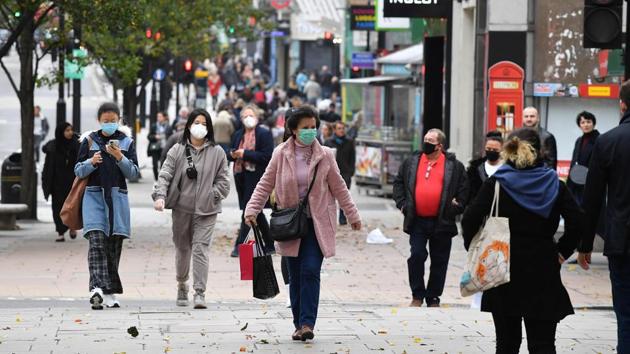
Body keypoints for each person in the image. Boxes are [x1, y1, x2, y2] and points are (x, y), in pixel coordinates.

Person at [244, 105, 361, 342]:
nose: (311, 131)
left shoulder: (326, 155)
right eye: (305, 128)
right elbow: (265, 183)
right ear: (294, 129)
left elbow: (339, 187)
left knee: (310, 270)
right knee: (295, 274)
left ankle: (308, 322)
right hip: (289, 223)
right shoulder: (280, 153)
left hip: (317, 223)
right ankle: (298, 324)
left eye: (314, 127)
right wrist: (252, 208)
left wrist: (352, 214)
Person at [462, 128, 583, 354]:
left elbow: (470, 218)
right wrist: (561, 252)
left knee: (507, 344)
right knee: (543, 344)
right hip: (543, 267)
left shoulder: (497, 183)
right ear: (541, 151)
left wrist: (475, 248)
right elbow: (577, 222)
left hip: (503, 267)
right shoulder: (555, 184)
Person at [152, 108, 230, 309]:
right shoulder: (177, 150)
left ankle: (200, 292)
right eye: (197, 123)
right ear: (188, 126)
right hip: (182, 209)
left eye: (205, 124)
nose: (200, 127)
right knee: (182, 248)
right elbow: (165, 174)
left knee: (200, 249)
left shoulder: (217, 152)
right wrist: (160, 196)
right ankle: (181, 284)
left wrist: (213, 194)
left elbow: (224, 181)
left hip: (207, 210)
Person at [579, 80, 630, 354]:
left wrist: (585, 244)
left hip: (622, 240)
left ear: (622, 104)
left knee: (625, 313)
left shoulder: (608, 141)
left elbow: (592, 198)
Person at [74, 102, 140, 310]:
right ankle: (96, 289)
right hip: (93, 199)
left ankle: (110, 292)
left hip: (117, 200)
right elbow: (78, 170)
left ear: (119, 120)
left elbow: (134, 173)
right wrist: (91, 162)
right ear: (99, 121)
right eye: (105, 121)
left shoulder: (127, 142)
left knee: (113, 246)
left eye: (113, 121)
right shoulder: (89, 141)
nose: (109, 124)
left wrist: (120, 157)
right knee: (96, 241)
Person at [392, 128, 468, 308]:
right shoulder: (412, 162)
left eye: (431, 141)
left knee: (440, 260)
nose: (426, 143)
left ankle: (433, 296)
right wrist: (403, 204)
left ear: (440, 146)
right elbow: (398, 183)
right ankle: (417, 295)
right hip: (417, 219)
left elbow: (464, 189)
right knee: (416, 256)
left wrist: (456, 206)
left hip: (442, 221)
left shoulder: (454, 166)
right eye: (425, 139)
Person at [228, 104, 275, 257]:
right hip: (241, 177)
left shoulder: (263, 134)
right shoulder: (238, 135)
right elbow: (230, 153)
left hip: (258, 178)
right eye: (245, 116)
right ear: (241, 119)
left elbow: (267, 156)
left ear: (257, 117)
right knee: (257, 212)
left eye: (251, 115)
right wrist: (233, 154)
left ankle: (240, 246)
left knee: (249, 210)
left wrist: (246, 154)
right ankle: (270, 244)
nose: (248, 119)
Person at [41, 122, 80, 242]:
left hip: (72, 182)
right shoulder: (53, 146)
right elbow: (48, 166)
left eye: (71, 130)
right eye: (67, 130)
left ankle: (72, 227)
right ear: (60, 132)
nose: (70, 133)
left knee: (72, 207)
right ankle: (60, 231)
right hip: (57, 183)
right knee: (57, 207)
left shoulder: (76, 144)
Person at [324, 121, 356, 225]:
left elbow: (352, 158)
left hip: (345, 173)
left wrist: (351, 171)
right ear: (334, 130)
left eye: (343, 128)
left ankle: (342, 218)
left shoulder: (349, 142)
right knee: (330, 197)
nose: (342, 130)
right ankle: (329, 218)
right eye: (339, 128)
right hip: (331, 173)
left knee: (344, 196)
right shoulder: (328, 142)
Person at [566, 111, 599, 205]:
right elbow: (574, 161)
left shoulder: (599, 139)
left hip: (590, 183)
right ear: (579, 125)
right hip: (575, 181)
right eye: (582, 122)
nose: (586, 125)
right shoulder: (579, 140)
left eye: (588, 122)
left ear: (593, 123)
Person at [467, 131, 503, 200]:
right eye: (488, 149)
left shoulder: (507, 168)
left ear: (501, 149)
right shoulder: (475, 168)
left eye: (495, 150)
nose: (491, 151)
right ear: (485, 147)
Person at [522, 106, 557, 171]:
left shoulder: (548, 137)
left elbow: (551, 163)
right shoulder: (518, 136)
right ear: (522, 118)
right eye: (526, 116)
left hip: (540, 176)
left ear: (538, 118)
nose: (529, 119)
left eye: (532, 116)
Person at [147, 112, 173, 181]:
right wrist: (155, 137)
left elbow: (171, 137)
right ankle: (156, 179)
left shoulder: (168, 127)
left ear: (164, 117)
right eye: (157, 116)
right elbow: (149, 136)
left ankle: (161, 179)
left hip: (164, 148)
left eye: (160, 116)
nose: (158, 118)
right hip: (155, 148)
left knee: (163, 164)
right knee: (154, 164)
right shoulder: (154, 126)